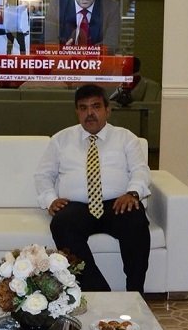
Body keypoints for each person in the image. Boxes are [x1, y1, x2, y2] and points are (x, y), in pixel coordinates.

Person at [34, 84, 152, 292]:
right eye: (83, 108)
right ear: (77, 112)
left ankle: (135, 293)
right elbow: (43, 175)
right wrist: (50, 199)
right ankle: (99, 292)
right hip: (77, 207)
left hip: (117, 204)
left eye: (96, 107)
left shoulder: (126, 138)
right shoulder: (61, 140)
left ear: (108, 110)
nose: (90, 113)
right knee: (61, 223)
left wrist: (133, 193)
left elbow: (140, 170)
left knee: (136, 219)